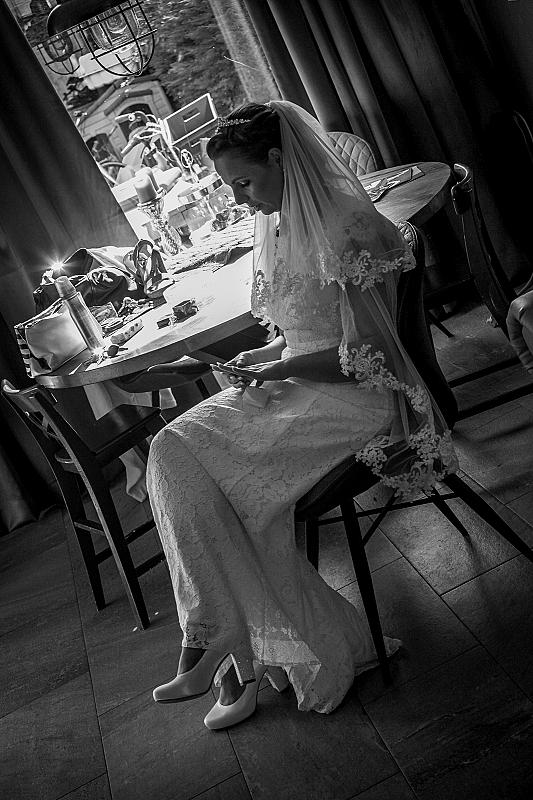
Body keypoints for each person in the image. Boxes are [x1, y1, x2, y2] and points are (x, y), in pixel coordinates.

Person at [146, 101, 457, 729]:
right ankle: (223, 645)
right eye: (230, 187)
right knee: (173, 451)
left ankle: (220, 650)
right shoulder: (282, 225)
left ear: (278, 158)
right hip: (304, 386)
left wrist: (279, 370)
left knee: (198, 470)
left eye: (244, 182)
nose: (239, 199)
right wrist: (265, 355)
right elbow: (302, 329)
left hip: (360, 401)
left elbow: (368, 357)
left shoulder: (350, 229)